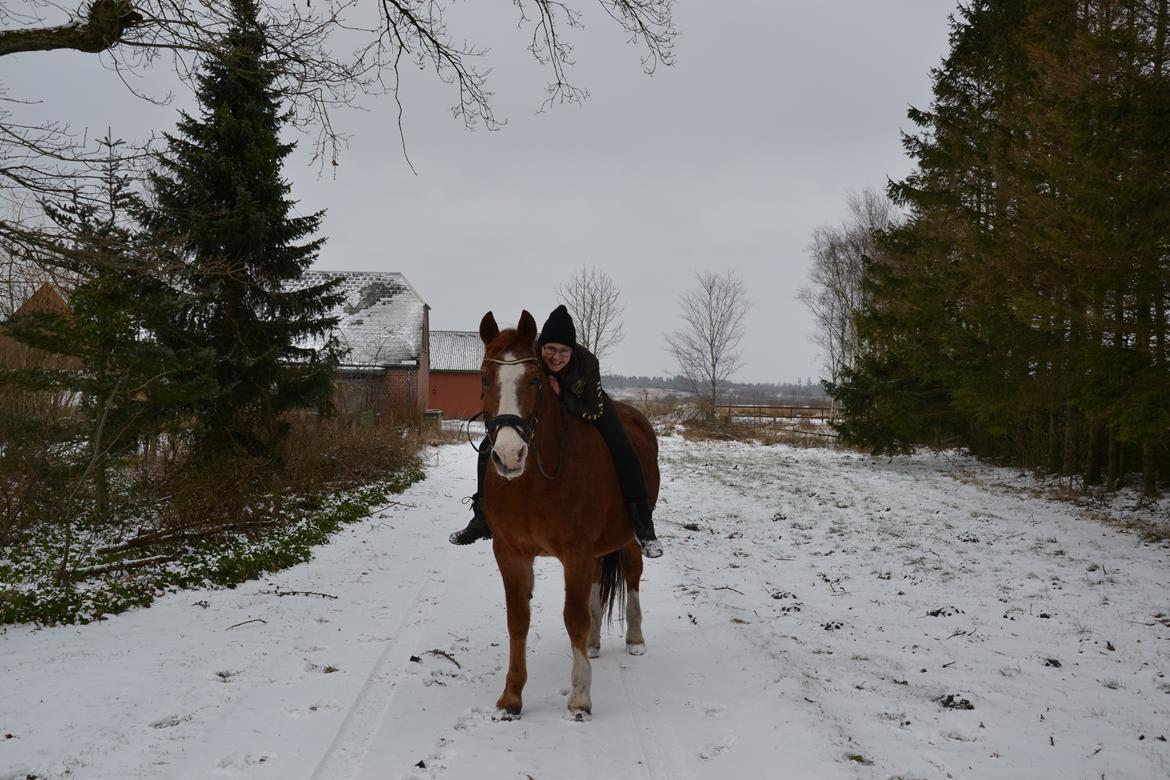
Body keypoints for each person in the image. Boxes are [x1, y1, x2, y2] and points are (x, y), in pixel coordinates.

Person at [449, 305, 664, 558]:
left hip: (587, 402)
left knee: (622, 447)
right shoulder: (530, 355)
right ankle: (482, 516)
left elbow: (593, 411)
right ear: (541, 346)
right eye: (550, 349)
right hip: (546, 406)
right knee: (488, 446)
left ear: (573, 351)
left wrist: (562, 394)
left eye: (564, 351)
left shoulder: (587, 364)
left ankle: (643, 524)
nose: (556, 357)